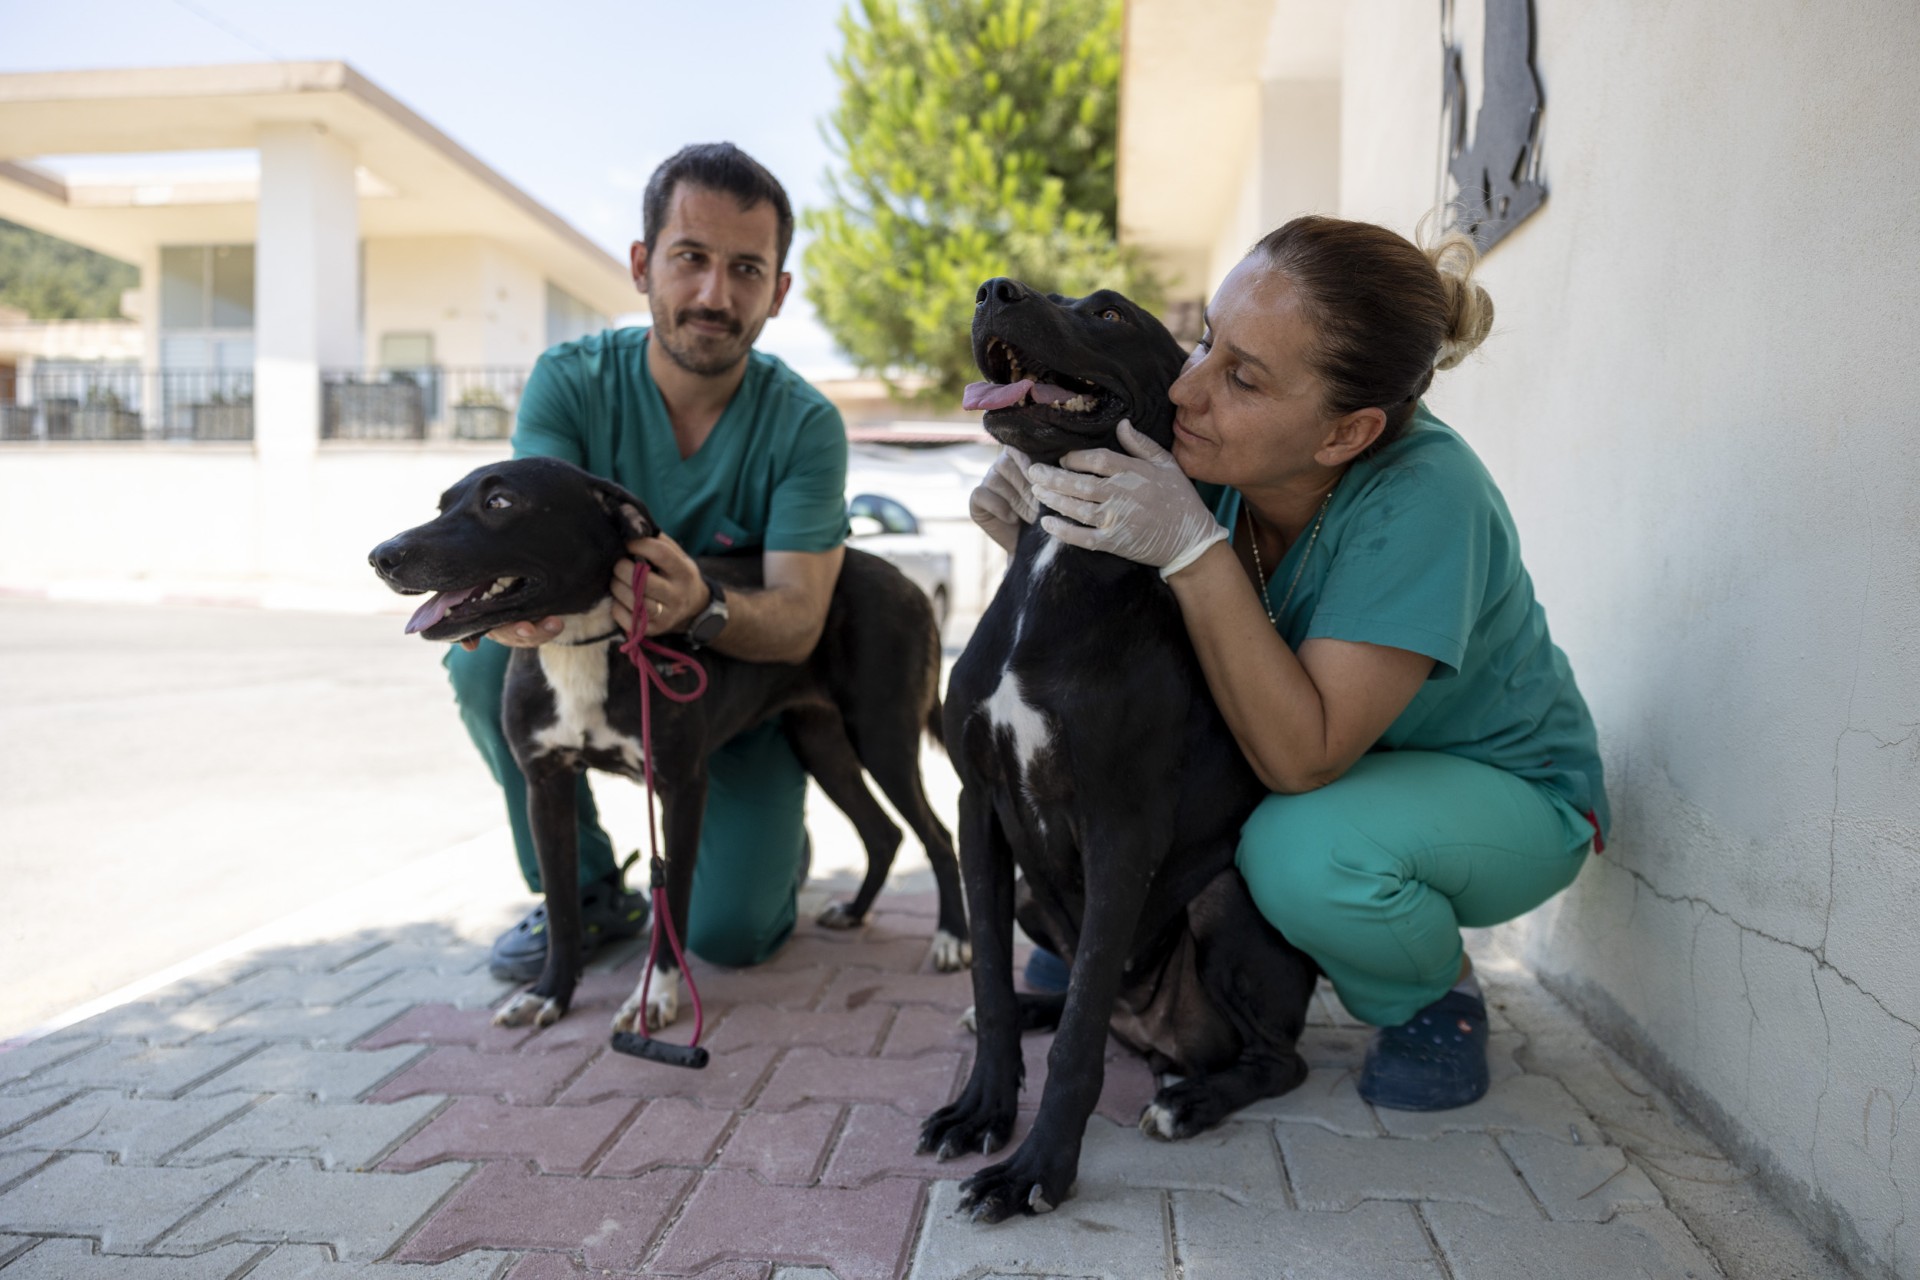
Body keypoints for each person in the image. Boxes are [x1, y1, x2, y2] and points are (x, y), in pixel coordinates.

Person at [968, 215, 1607, 1111]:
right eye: (1206, 341)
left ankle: (1433, 997)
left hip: (1505, 793)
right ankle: (1123, 956)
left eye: (1243, 377)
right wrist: (1040, 528)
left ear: (1346, 434)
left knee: (1302, 852)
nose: (1188, 388)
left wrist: (1193, 553)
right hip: (1335, 767)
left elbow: (1303, 759)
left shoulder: (1428, 496)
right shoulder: (1214, 448)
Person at [445, 143, 849, 982]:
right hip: (598, 672)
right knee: (482, 661)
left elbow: (799, 621)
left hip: (732, 703)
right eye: (690, 257)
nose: (714, 294)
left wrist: (703, 602)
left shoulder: (806, 425)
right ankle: (587, 889)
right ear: (641, 265)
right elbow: (524, 550)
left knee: (733, 934)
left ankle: (769, 847)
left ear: (779, 292)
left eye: (746, 269)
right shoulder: (570, 383)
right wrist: (513, 610)